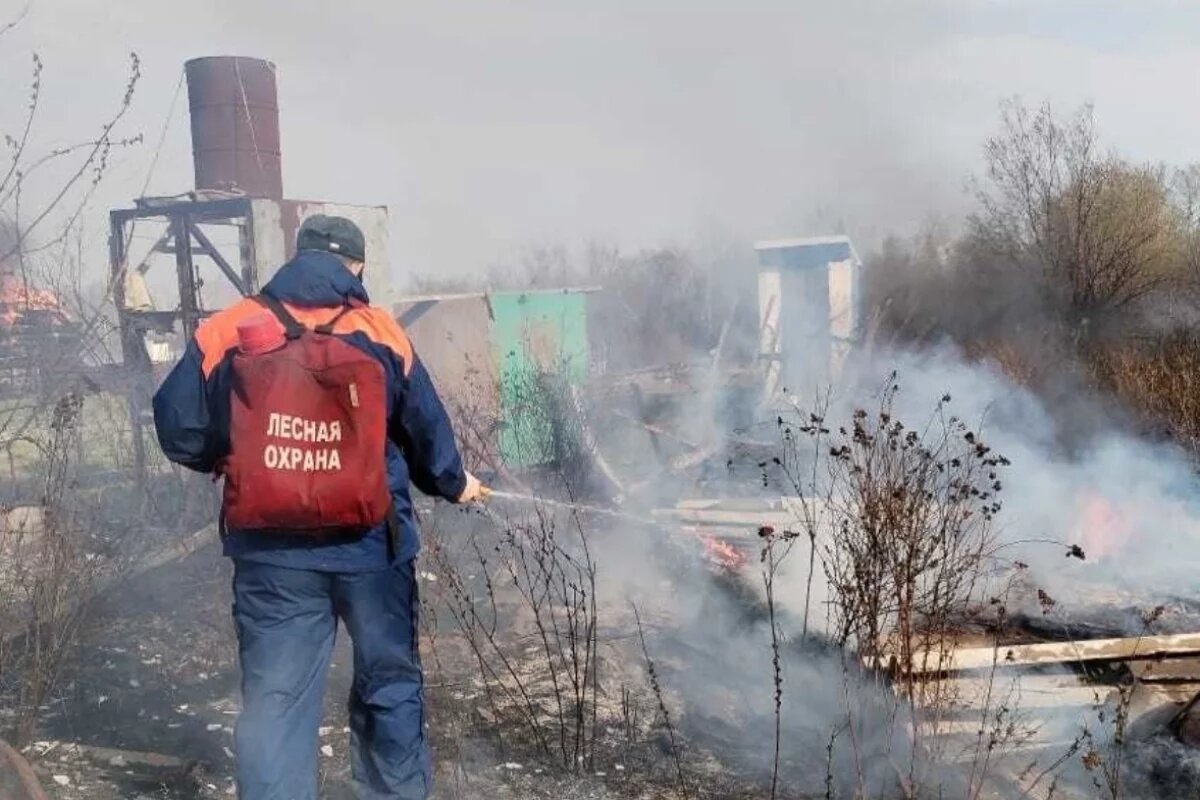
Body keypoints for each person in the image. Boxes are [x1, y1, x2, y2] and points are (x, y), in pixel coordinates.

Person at [152, 214, 484, 800]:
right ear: (354, 267)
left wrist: (238, 458)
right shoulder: (379, 330)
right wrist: (455, 484)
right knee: (389, 684)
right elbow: (426, 431)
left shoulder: (231, 326)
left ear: (296, 257)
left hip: (271, 553)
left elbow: (178, 427)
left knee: (277, 698)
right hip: (371, 550)